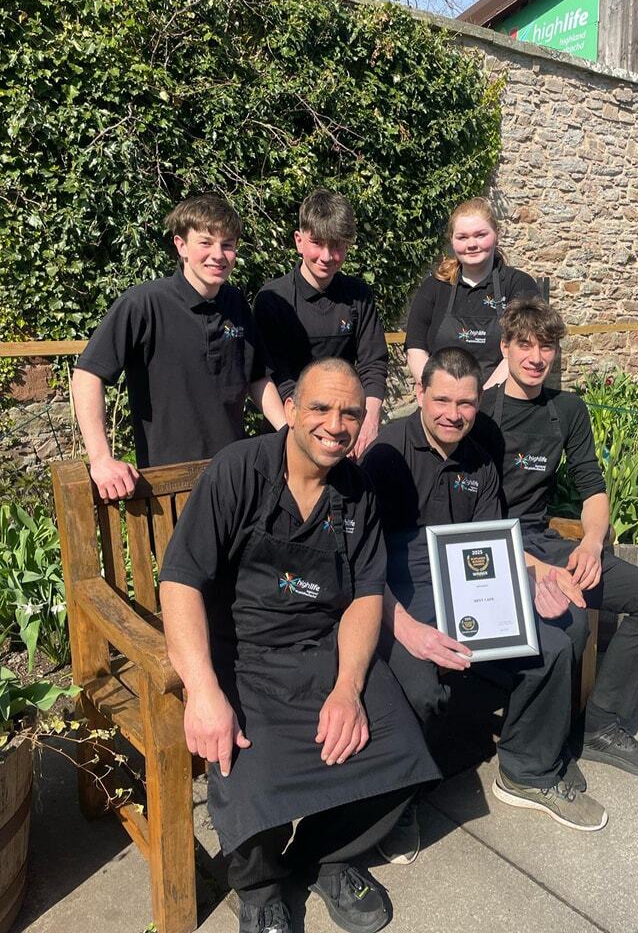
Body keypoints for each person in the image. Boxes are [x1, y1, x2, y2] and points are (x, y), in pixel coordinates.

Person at [159, 358, 440, 933]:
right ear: (289, 411)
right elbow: (180, 580)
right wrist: (203, 690)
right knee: (247, 775)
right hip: (244, 657)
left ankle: (328, 856)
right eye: (320, 407)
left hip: (320, 653)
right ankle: (260, 890)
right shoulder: (238, 472)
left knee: (402, 750)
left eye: (350, 413)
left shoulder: (357, 492)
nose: (335, 424)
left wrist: (348, 688)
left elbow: (366, 595)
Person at [361, 346, 608, 855]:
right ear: (419, 394)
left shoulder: (481, 450)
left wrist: (530, 580)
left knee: (554, 642)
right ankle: (395, 800)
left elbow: (493, 539)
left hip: (471, 579)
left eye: (466, 403)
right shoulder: (386, 455)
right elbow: (361, 560)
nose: (454, 414)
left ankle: (525, 771)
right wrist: (402, 624)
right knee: (418, 680)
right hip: (400, 588)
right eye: (443, 400)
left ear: (480, 402)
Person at [473, 298, 638, 783]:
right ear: (505, 348)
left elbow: (592, 486)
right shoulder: (480, 414)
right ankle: (538, 745)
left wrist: (591, 543)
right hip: (492, 550)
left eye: (546, 347)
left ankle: (600, 726)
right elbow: (469, 518)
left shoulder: (566, 410)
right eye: (524, 345)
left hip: (549, 539)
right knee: (570, 623)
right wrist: (535, 568)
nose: (535, 357)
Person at [72, 194, 286, 502]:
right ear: (181, 246)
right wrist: (101, 459)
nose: (218, 254)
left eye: (227, 244)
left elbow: (257, 378)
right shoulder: (143, 303)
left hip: (233, 477)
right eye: (205, 243)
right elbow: (87, 375)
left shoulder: (236, 303)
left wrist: (288, 435)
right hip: (167, 486)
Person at [253, 189, 387, 459]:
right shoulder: (273, 299)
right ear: (299, 241)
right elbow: (278, 377)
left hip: (346, 431)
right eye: (318, 243)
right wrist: (305, 432)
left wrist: (368, 421)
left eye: (337, 245)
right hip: (291, 430)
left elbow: (374, 363)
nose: (327, 256)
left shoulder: (358, 295)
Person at [405, 196, 539, 391]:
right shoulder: (434, 287)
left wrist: (481, 398)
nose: (472, 244)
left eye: (480, 235)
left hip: (501, 400)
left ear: (496, 234)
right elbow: (415, 348)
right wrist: (438, 393)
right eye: (463, 237)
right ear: (452, 240)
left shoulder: (518, 285)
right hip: (443, 403)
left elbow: (523, 350)